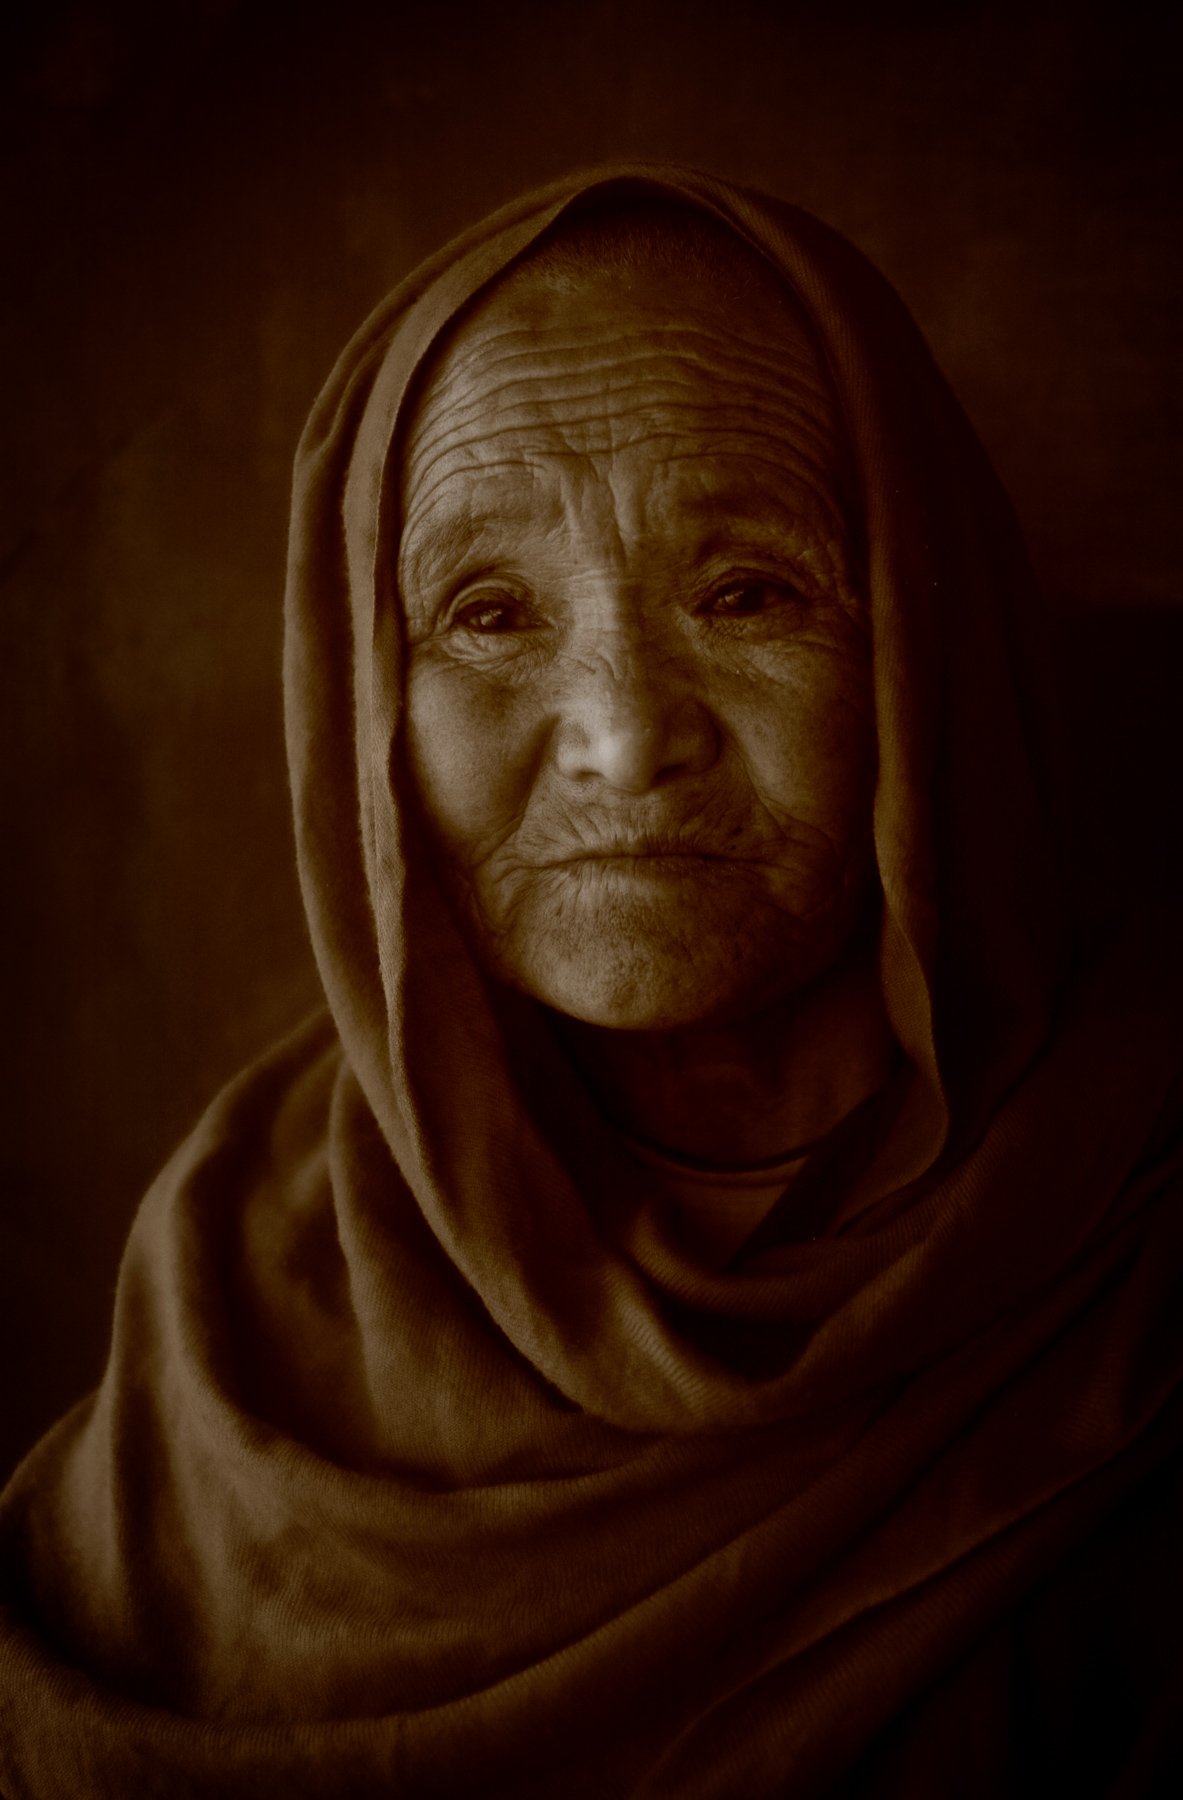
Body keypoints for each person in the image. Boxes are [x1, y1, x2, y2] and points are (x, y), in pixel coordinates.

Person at [1, 164, 1181, 1798]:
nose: (626, 735)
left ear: (932, 639)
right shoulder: (242, 1278)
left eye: (748, 591)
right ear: (362, 706)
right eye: (488, 614)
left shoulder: (1138, 1249)